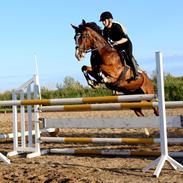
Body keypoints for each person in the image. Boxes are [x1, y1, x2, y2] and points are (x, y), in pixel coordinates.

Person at [99, 11, 140, 80]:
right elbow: (105, 42)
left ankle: (136, 73)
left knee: (129, 56)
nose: (103, 22)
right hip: (116, 45)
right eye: (102, 21)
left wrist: (116, 42)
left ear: (109, 20)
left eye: (104, 20)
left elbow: (125, 39)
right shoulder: (105, 30)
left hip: (126, 44)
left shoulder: (116, 27)